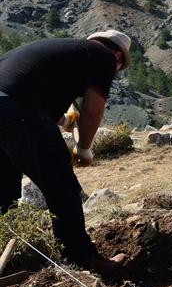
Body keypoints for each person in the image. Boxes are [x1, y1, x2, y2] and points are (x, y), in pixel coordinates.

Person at [0, 30, 131, 274]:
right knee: (61, 185)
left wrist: (64, 121)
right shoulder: (104, 56)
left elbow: (25, 91)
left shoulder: (63, 54)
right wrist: (83, 149)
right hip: (16, 108)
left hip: (8, 105)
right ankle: (82, 259)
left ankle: (8, 257)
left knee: (2, 187)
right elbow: (93, 111)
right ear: (117, 56)